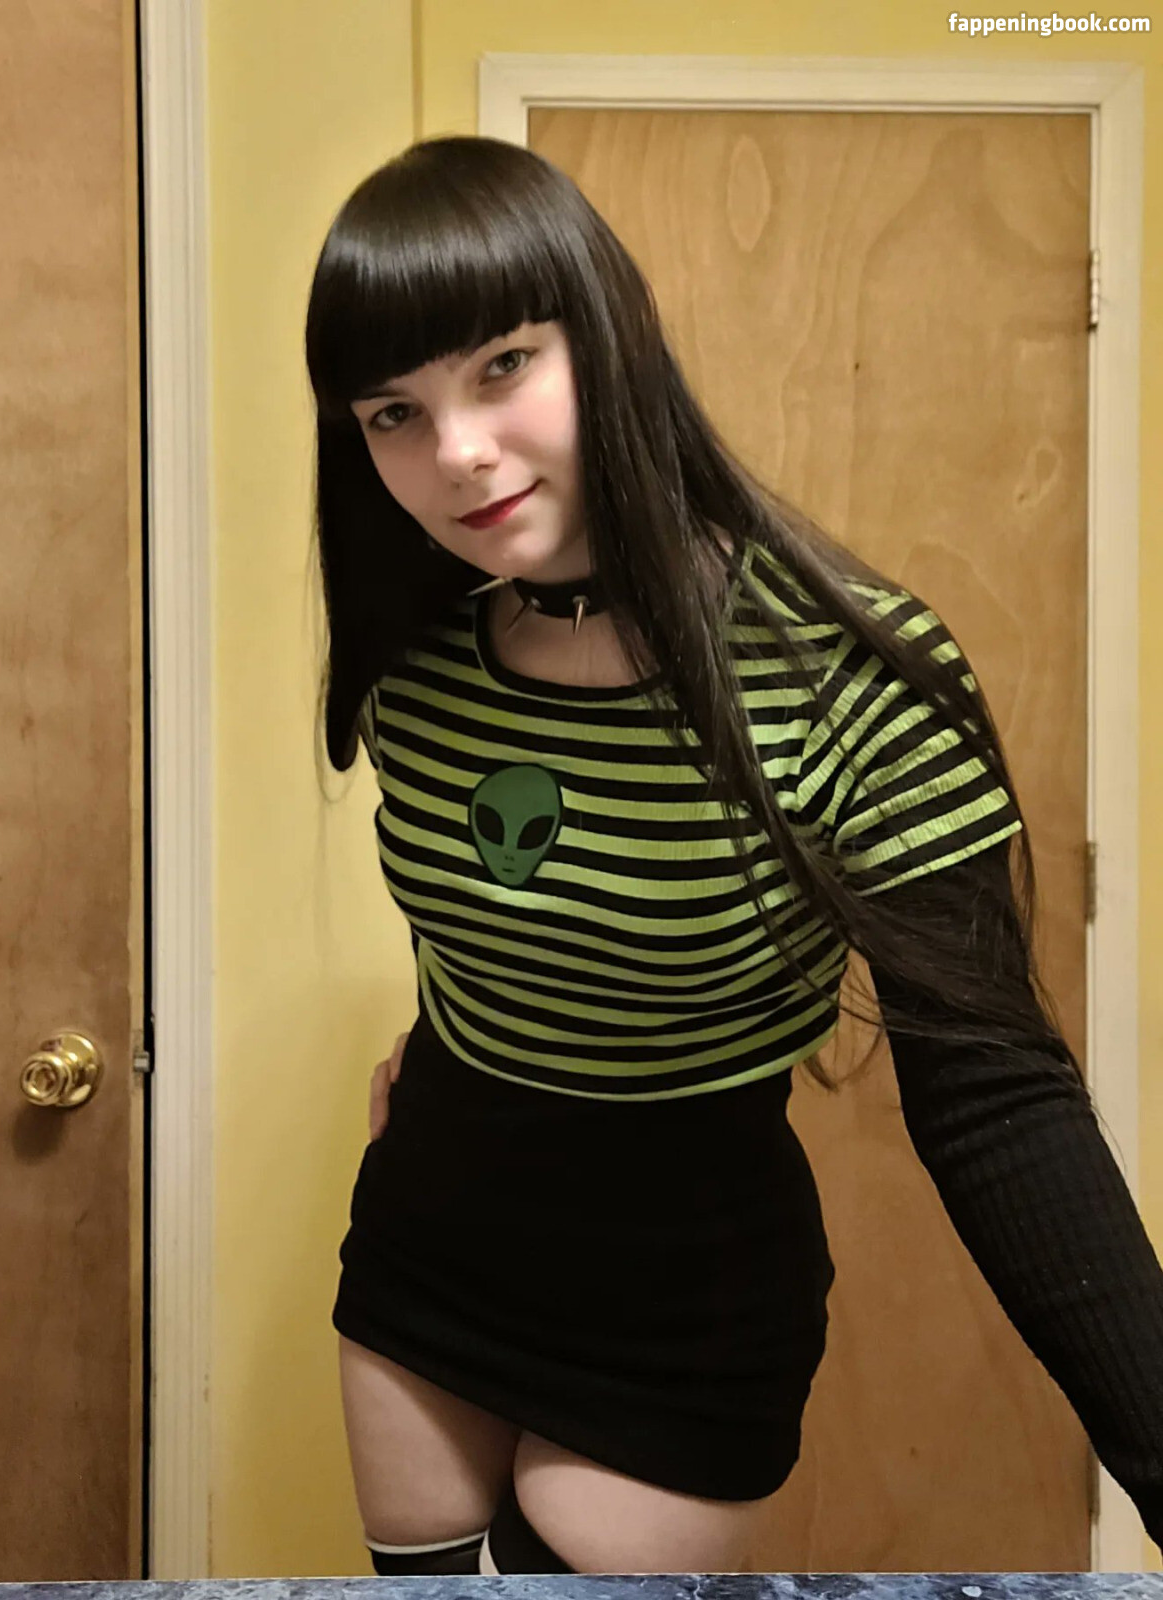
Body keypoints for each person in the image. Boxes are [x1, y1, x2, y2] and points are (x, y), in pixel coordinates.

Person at [302, 134, 1163, 1575]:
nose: (455, 452)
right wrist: (450, 1045)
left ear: (609, 335)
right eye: (395, 410)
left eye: (504, 364)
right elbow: (513, 916)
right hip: (427, 1253)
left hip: (686, 1299)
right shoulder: (418, 667)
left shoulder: (849, 678)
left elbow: (999, 1098)